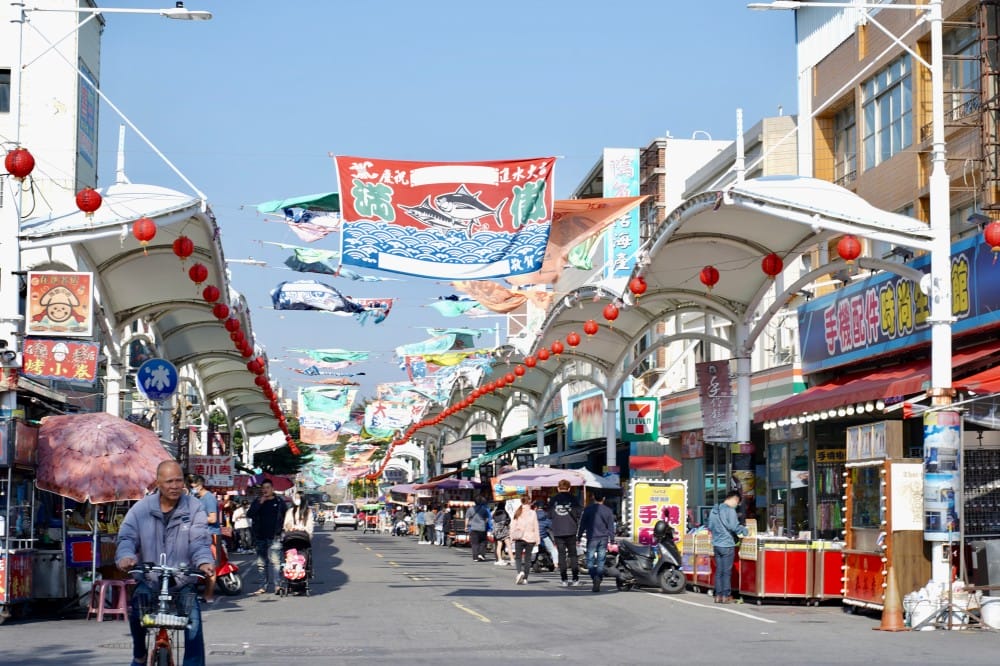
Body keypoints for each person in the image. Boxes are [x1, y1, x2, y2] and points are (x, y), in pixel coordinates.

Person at [116, 460, 214, 666]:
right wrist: (126, 556)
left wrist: (204, 562)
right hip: (150, 579)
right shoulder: (141, 509)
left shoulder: (194, 508)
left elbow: (199, 540)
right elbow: (127, 537)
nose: (175, 486)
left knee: (194, 624)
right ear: (158, 483)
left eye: (179, 480)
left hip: (182, 581)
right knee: (137, 614)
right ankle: (139, 655)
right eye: (169, 481)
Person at [707, 490, 749, 604]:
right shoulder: (730, 511)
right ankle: (725, 595)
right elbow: (734, 527)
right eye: (737, 503)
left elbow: (710, 526)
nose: (736, 505)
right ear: (735, 499)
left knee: (719, 571)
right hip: (727, 544)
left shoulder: (714, 510)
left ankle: (718, 595)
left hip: (716, 544)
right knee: (726, 572)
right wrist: (745, 530)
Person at [247, 479, 286, 595]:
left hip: (275, 536)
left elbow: (286, 515)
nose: (265, 490)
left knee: (276, 562)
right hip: (260, 536)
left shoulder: (279, 501)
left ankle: (277, 586)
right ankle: (262, 586)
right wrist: (260, 503)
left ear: (272, 489)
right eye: (263, 488)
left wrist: (284, 530)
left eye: (268, 487)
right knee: (261, 563)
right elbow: (249, 514)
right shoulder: (257, 501)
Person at [187, 474, 220, 604]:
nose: (192, 488)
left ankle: (209, 596)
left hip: (212, 535)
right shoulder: (197, 498)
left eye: (192, 486)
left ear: (199, 485)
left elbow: (213, 518)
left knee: (210, 566)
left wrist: (196, 519)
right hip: (200, 535)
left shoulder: (209, 498)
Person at [578, 492, 616, 593]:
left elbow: (582, 524)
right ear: (603, 498)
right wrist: (612, 539)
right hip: (603, 538)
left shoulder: (588, 509)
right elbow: (611, 527)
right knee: (601, 561)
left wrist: (579, 536)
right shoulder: (608, 511)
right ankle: (598, 577)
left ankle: (594, 576)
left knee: (590, 561)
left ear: (593, 497)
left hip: (591, 538)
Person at [548, 479, 582, 587]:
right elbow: (579, 513)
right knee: (573, 555)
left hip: (558, 531)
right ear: (569, 488)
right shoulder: (574, 499)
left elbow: (549, 515)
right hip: (571, 530)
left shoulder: (553, 500)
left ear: (558, 488)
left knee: (561, 555)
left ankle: (564, 580)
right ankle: (575, 579)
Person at [509, 496, 540, 585]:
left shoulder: (518, 512)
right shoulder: (533, 513)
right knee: (528, 558)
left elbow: (512, 525)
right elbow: (536, 527)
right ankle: (525, 578)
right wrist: (537, 539)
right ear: (529, 501)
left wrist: (511, 537)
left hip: (519, 537)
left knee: (518, 557)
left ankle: (519, 572)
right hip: (530, 538)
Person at [534, 499, 558, 567]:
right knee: (553, 549)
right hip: (543, 536)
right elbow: (551, 526)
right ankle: (556, 563)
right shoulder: (546, 515)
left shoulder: (532, 515)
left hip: (533, 537)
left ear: (536, 507)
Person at [466, 496, 490, 561]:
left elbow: (467, 519)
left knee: (474, 543)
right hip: (482, 528)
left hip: (473, 528)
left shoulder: (470, 509)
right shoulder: (484, 509)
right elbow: (487, 519)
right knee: (483, 542)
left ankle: (475, 557)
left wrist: (466, 527)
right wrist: (484, 523)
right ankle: (481, 554)